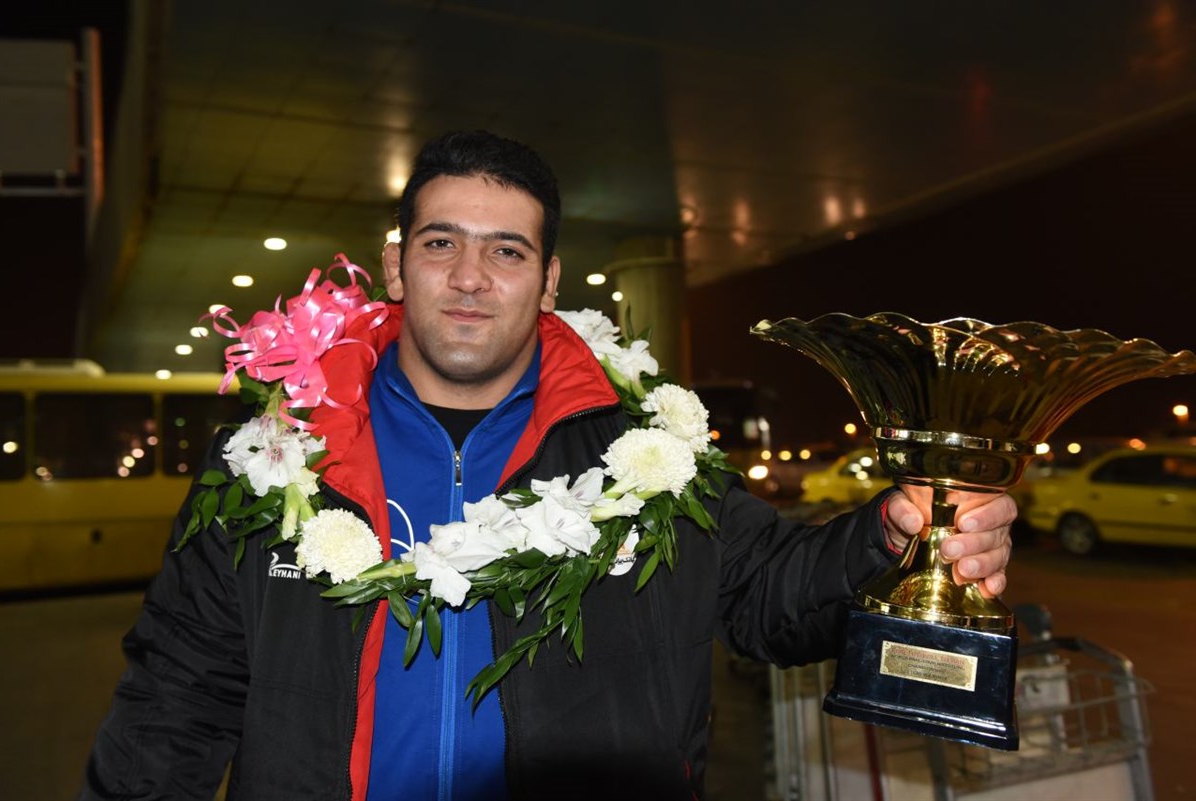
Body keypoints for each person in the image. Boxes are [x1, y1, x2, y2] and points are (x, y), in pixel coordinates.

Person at [81, 131, 1014, 801]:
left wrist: (892, 537)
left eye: (507, 250)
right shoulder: (275, 458)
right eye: (441, 243)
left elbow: (769, 593)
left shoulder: (645, 452)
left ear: (550, 280)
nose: (471, 276)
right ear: (396, 266)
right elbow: (176, 693)